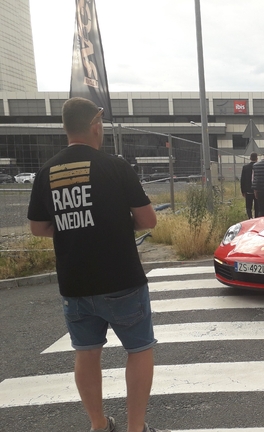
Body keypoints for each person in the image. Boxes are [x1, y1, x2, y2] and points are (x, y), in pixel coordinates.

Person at [27, 98, 168, 432]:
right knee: (139, 350)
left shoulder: (46, 172)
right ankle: (135, 428)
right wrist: (115, 224)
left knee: (86, 353)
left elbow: (38, 227)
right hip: (122, 279)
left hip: (75, 283)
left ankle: (98, 425)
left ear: (66, 128)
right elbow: (148, 220)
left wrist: (74, 227)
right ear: (95, 125)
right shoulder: (115, 166)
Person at [240, 152, 258, 218]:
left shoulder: (245, 167)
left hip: (248, 191)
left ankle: (250, 217)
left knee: (248, 206)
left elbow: (242, 180)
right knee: (257, 207)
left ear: (250, 158)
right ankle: (256, 218)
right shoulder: (258, 167)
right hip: (257, 190)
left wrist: (243, 191)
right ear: (257, 158)